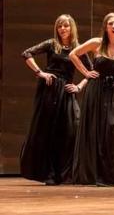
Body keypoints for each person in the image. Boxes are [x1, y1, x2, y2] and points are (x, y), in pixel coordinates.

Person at [20, 14, 91, 185]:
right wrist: (40, 73)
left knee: (69, 132)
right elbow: (26, 53)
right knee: (49, 132)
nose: (63, 29)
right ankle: (50, 174)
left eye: (66, 26)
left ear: (71, 27)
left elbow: (91, 72)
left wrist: (79, 87)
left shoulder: (77, 48)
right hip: (50, 91)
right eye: (60, 26)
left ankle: (65, 174)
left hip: (66, 92)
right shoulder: (52, 44)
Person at [70, 12, 114, 186]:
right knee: (97, 130)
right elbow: (73, 54)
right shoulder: (96, 43)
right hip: (97, 91)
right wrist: (86, 73)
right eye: (110, 23)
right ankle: (96, 173)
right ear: (105, 27)